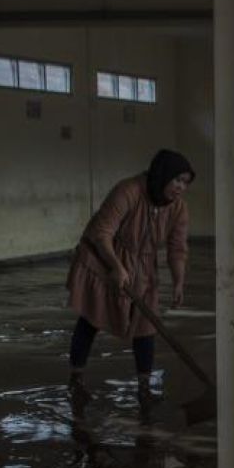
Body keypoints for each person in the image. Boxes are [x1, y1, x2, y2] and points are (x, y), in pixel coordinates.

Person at [65, 149, 194, 395]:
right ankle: (76, 377)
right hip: (103, 258)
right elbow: (102, 232)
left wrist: (179, 281)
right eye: (177, 180)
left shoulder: (178, 208)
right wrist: (116, 266)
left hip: (143, 266)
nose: (180, 188)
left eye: (185, 183)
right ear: (162, 175)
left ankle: (144, 386)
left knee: (146, 325)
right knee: (92, 316)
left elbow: (177, 248)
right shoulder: (129, 191)